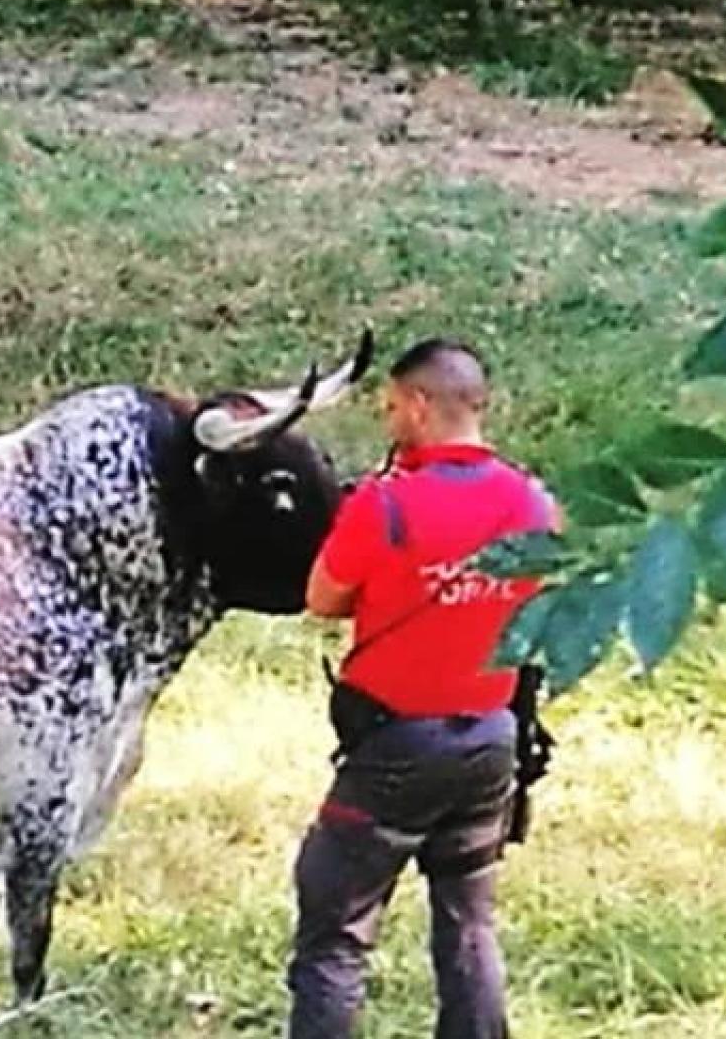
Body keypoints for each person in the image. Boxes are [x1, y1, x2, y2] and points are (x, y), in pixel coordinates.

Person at [286, 337, 560, 1039]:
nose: (387, 423)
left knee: (335, 935)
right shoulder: (534, 503)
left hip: (394, 749)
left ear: (417, 404)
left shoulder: (385, 506)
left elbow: (321, 597)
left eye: (389, 408)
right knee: (469, 926)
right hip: (491, 740)